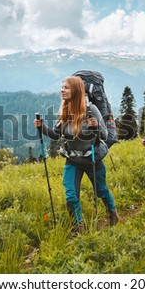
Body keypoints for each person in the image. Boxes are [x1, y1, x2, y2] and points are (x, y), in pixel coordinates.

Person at [34, 76, 118, 233]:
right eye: (62, 87)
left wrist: (96, 126)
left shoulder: (91, 110)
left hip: (92, 158)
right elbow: (54, 135)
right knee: (71, 195)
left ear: (76, 91)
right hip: (73, 160)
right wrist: (42, 127)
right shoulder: (65, 111)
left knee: (101, 191)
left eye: (66, 87)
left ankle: (113, 214)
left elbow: (105, 135)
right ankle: (78, 228)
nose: (62, 90)